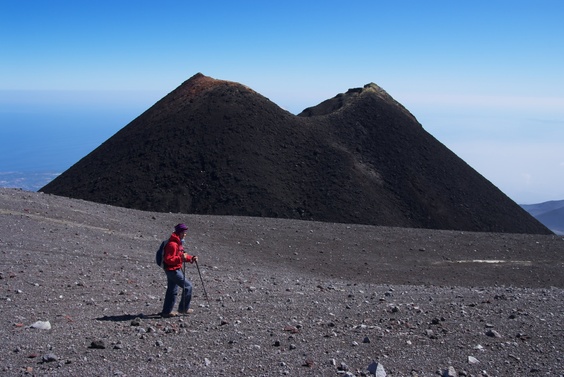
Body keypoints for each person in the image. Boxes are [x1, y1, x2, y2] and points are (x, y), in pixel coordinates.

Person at [161, 223, 198, 318]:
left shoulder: (177, 243)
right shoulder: (172, 244)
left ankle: (166, 311)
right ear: (179, 233)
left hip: (172, 269)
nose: (185, 234)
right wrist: (180, 258)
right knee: (188, 286)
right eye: (183, 232)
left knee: (172, 290)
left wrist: (190, 258)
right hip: (172, 270)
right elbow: (168, 259)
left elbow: (182, 255)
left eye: (185, 232)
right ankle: (183, 308)